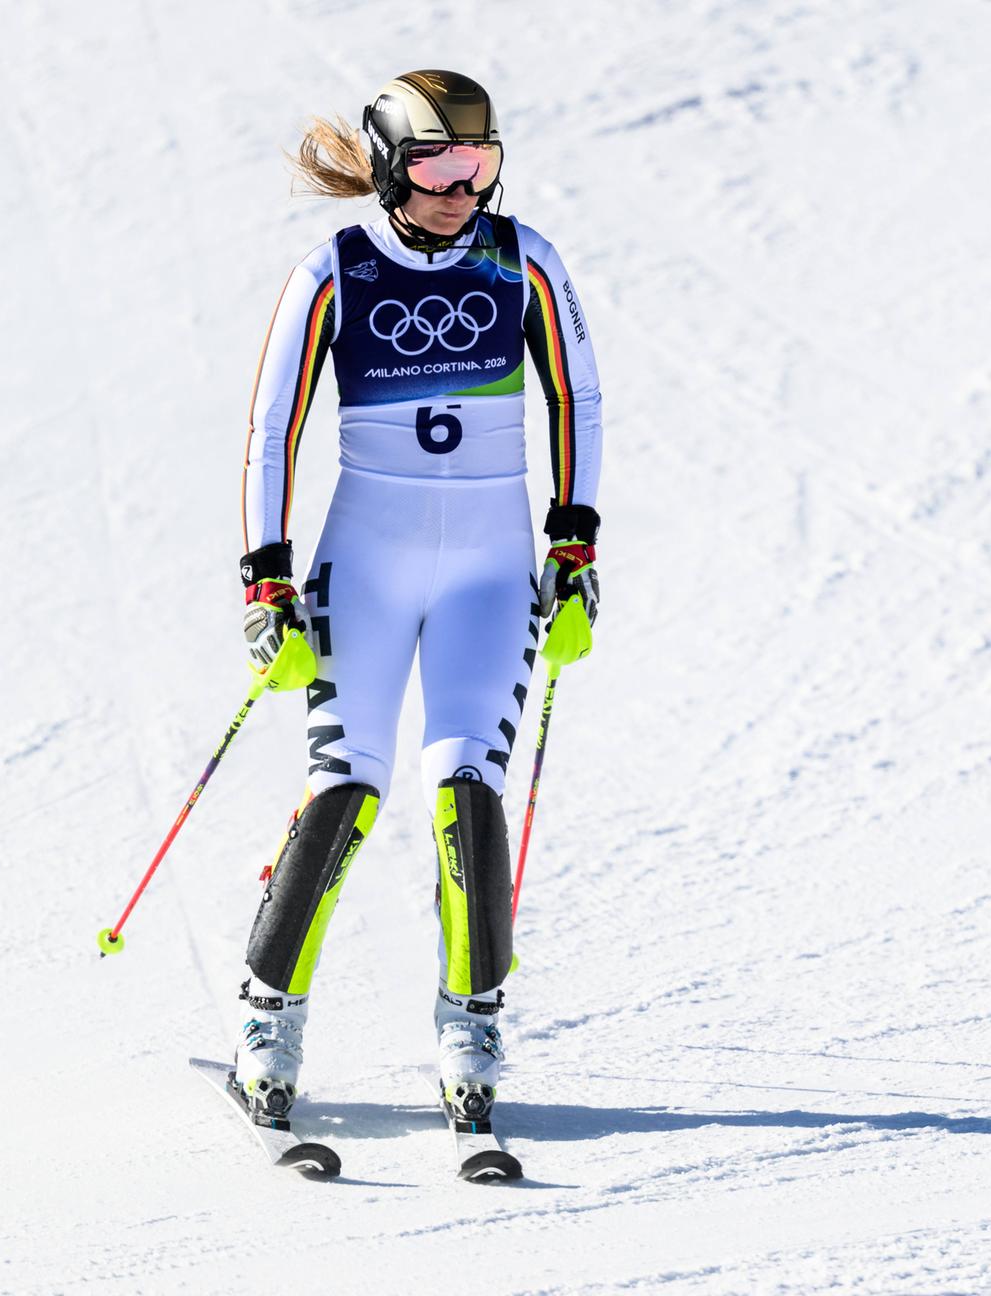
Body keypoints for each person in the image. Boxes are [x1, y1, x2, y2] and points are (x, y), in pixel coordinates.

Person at [233, 69, 602, 1123]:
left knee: (466, 787)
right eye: (438, 168)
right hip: (366, 564)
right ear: (392, 171)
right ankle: (267, 1019)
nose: (462, 190)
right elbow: (271, 429)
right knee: (346, 786)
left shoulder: (523, 260)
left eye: (479, 164)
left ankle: (471, 1028)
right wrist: (265, 577)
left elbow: (577, 396)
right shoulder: (335, 271)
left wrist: (574, 546)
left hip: (491, 570)